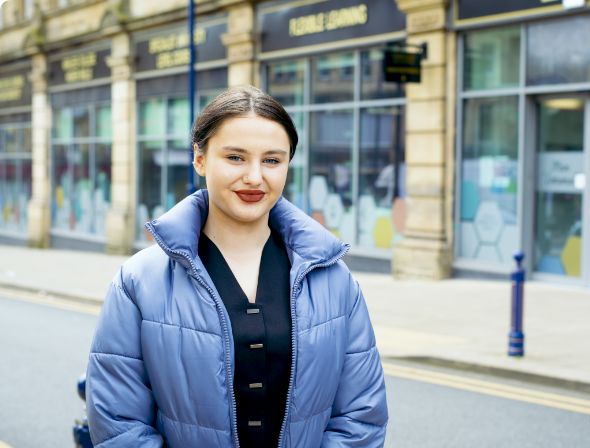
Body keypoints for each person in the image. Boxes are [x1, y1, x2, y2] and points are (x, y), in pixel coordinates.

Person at [85, 86, 388, 447]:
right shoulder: (139, 282)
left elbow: (361, 417)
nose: (255, 177)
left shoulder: (335, 280)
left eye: (272, 160)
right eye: (235, 157)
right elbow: (118, 423)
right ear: (200, 159)